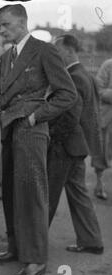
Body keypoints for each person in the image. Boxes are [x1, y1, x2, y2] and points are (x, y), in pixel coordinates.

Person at [0, 4, 77, 275]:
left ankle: (36, 259)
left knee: (32, 196)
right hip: (8, 130)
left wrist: (35, 117)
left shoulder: (44, 50)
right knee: (11, 193)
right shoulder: (6, 57)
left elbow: (67, 94)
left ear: (21, 22)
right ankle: (17, 248)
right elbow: (4, 97)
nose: (1, 29)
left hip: (31, 132)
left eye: (5, 24)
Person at [49, 34, 104, 254]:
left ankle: (32, 247)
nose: (55, 56)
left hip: (66, 147)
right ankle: (92, 241)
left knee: (48, 196)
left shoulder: (73, 77)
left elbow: (70, 118)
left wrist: (52, 135)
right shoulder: (85, 75)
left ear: (69, 50)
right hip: (79, 147)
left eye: (57, 51)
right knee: (78, 194)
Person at [93, 58, 112, 200]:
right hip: (107, 117)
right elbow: (99, 90)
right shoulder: (108, 65)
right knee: (102, 152)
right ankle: (99, 184)